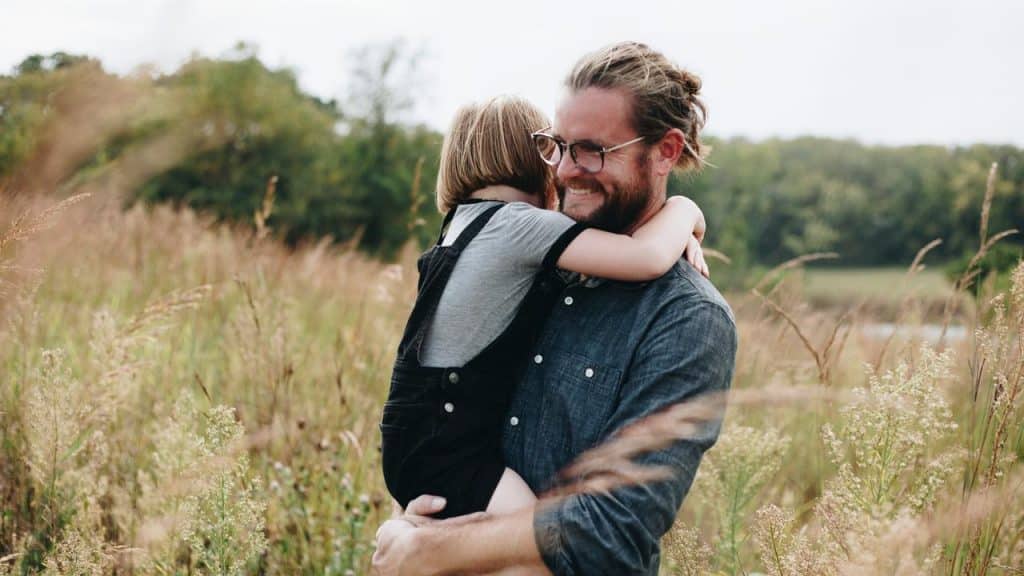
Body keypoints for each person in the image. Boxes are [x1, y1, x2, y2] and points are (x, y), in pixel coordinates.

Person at [373, 41, 738, 575]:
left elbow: (611, 530)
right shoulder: (540, 269)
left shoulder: (686, 318)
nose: (565, 171)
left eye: (591, 150)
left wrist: (430, 548)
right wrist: (409, 528)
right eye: (557, 146)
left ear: (665, 151)